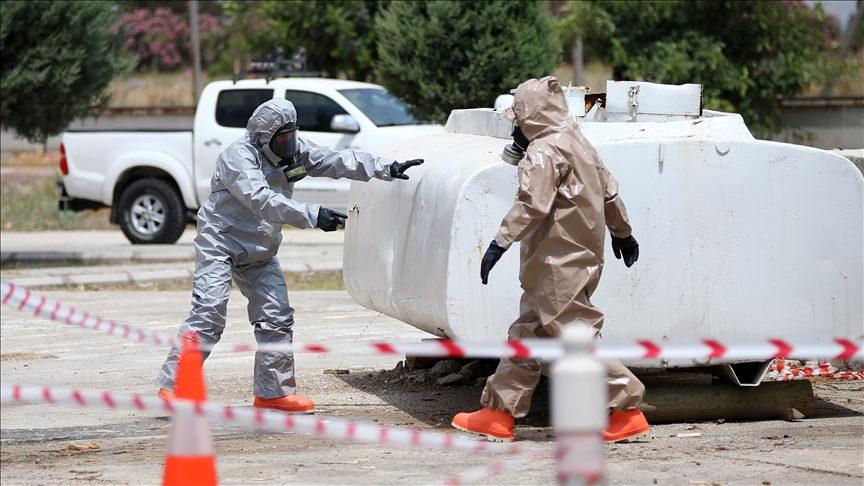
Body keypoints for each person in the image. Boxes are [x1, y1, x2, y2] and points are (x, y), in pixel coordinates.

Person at [155, 98, 423, 412]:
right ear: (263, 138)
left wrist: (386, 167)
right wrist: (313, 215)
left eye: (292, 135)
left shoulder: (292, 150)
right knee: (209, 313)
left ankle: (273, 393)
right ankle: (175, 387)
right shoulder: (238, 157)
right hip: (221, 242)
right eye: (281, 138)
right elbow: (261, 199)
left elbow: (336, 160)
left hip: (260, 248)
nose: (289, 144)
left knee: (277, 316)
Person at [451, 77, 649, 442]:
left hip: (555, 262)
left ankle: (627, 408)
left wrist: (499, 243)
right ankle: (498, 413)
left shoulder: (543, 151)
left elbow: (532, 204)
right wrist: (622, 232)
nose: (515, 129)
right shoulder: (579, 143)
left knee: (574, 336)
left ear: (529, 116)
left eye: (517, 120)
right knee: (527, 332)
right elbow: (609, 192)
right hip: (579, 259)